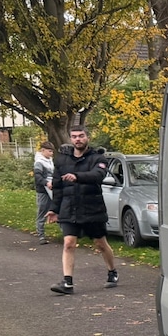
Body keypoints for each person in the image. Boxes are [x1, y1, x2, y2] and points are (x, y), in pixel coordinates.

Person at [45, 125, 117, 294]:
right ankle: (67, 283)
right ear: (71, 139)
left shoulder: (98, 158)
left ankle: (112, 271)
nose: (78, 139)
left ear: (87, 138)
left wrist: (77, 177)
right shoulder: (62, 160)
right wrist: (54, 209)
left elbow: (98, 176)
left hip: (93, 208)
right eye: (75, 136)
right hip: (69, 208)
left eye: (81, 136)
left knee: (101, 244)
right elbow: (57, 186)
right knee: (69, 243)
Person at [32, 142, 54, 243]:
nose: (51, 153)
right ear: (43, 150)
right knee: (42, 211)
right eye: (49, 151)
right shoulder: (39, 162)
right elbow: (37, 176)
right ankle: (41, 235)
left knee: (58, 209)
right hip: (43, 191)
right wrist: (46, 183)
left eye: (52, 151)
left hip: (52, 189)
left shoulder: (50, 161)